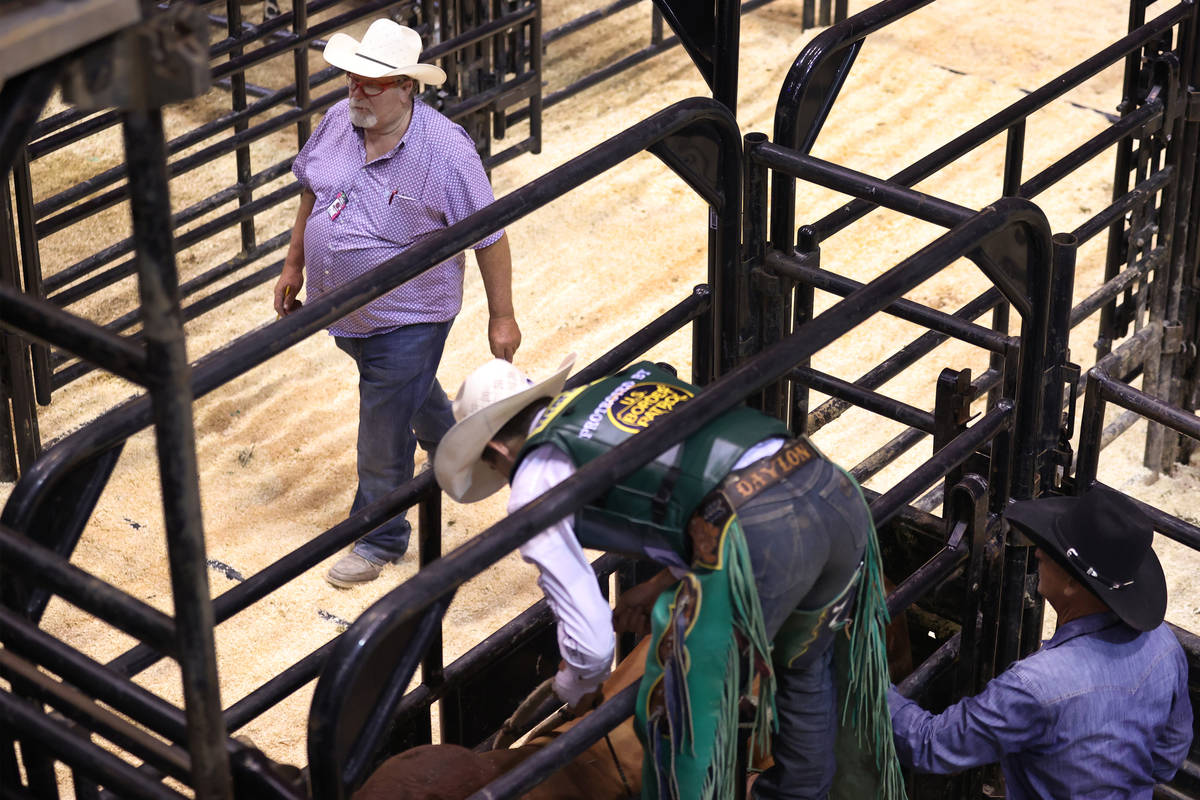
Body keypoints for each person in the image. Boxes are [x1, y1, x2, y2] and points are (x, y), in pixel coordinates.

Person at [433, 356, 905, 800]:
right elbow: (701, 476)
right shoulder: (617, 389)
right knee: (803, 662)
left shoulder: (534, 484)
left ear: (495, 447)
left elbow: (594, 643)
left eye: (493, 467)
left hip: (762, 540)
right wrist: (659, 585)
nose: (503, 478)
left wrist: (574, 686)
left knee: (675, 711)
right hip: (829, 489)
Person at [274, 19, 521, 588]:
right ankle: (460, 441)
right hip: (346, 312)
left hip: (411, 315)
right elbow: (311, 188)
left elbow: (490, 234)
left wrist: (502, 315)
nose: (355, 92)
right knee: (406, 391)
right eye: (351, 80)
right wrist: (294, 264)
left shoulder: (445, 152)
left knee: (381, 428)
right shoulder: (339, 121)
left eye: (371, 85)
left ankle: (380, 537)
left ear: (408, 87)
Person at [889, 486, 1193, 798]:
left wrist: (868, 674)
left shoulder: (1035, 685)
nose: (1037, 553)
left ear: (1074, 584)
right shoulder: (1164, 646)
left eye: (1051, 552)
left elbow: (931, 746)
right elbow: (1168, 757)